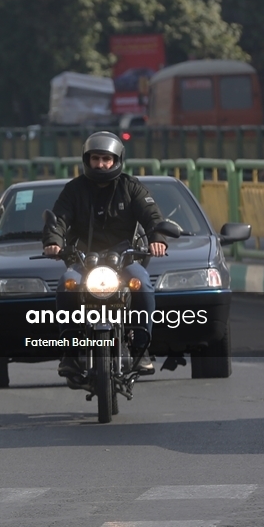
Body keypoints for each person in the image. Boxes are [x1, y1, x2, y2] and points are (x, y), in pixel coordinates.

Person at [42, 132, 168, 378]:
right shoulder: (73, 190)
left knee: (142, 283)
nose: (100, 164)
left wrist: (157, 238)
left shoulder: (131, 187)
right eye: (95, 158)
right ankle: (70, 353)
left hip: (124, 260)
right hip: (83, 260)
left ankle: (140, 348)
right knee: (66, 284)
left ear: (116, 160)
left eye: (106, 159)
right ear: (86, 160)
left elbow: (152, 216)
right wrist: (53, 242)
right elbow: (59, 220)